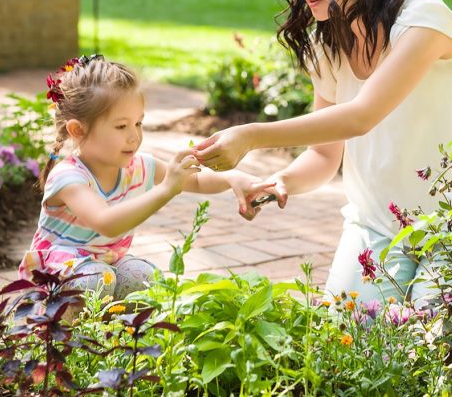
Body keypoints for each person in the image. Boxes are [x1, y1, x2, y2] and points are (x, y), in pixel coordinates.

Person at [194, 0, 452, 307]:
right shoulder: (329, 49)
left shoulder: (424, 21)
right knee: (345, 343)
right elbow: (325, 157)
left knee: (430, 354)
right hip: (377, 226)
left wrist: (251, 136)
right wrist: (283, 181)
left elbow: (361, 116)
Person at [19, 55, 270, 300]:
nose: (134, 136)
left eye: (138, 123)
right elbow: (106, 222)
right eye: (121, 126)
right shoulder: (69, 178)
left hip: (105, 264)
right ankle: (60, 335)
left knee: (144, 277)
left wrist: (232, 178)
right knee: (96, 279)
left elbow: (194, 180)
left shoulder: (139, 166)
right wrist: (165, 190)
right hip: (55, 276)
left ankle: (121, 336)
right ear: (78, 130)